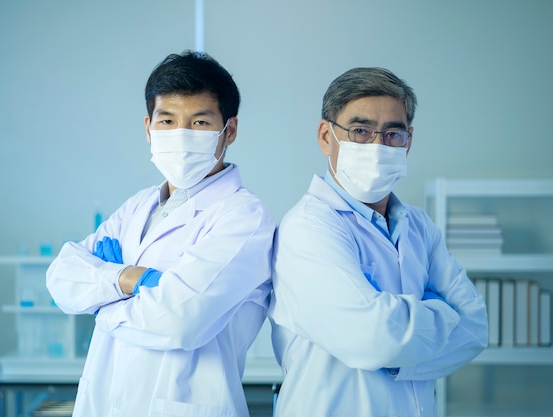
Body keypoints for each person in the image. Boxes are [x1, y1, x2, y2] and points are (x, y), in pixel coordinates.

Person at [46, 50, 276, 417]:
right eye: (167, 120)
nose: (180, 135)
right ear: (148, 127)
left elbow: (180, 321)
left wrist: (99, 299)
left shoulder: (244, 218)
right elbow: (60, 278)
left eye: (199, 123)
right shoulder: (138, 207)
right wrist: (127, 278)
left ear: (229, 130)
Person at [267, 67, 488, 416]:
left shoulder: (419, 226)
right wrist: (444, 312)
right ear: (326, 136)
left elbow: (475, 328)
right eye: (360, 131)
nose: (377, 145)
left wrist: (396, 343)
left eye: (392, 134)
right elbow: (371, 338)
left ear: (408, 141)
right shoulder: (308, 227)